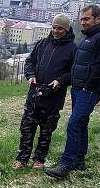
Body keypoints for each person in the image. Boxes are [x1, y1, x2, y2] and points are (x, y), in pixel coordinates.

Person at [45, 4, 100, 180]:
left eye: (87, 19)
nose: (83, 23)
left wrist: (87, 87)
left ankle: (66, 163)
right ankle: (79, 159)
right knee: (82, 123)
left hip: (89, 90)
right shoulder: (88, 38)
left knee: (74, 123)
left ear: (98, 18)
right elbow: (79, 66)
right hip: (78, 88)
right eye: (81, 19)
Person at [14, 14, 77, 169]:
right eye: (54, 27)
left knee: (46, 131)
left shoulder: (73, 49)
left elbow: (74, 72)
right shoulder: (42, 43)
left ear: (67, 30)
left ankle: (39, 160)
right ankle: (22, 159)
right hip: (34, 94)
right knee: (27, 128)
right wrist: (30, 76)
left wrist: (60, 81)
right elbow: (30, 61)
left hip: (53, 97)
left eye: (60, 28)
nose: (56, 31)